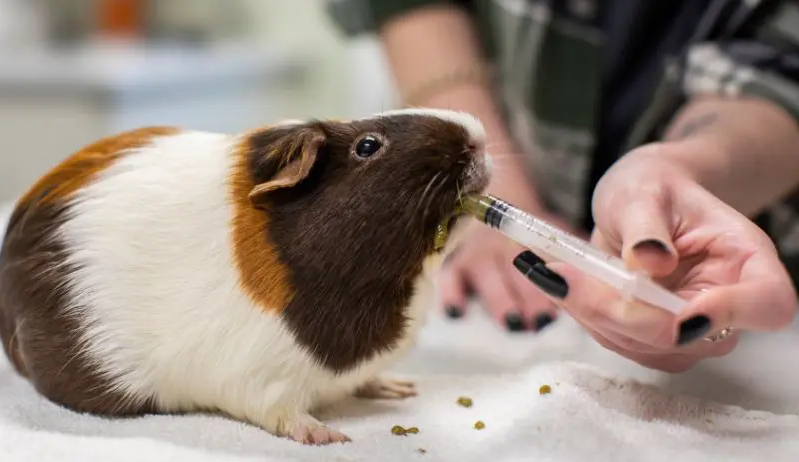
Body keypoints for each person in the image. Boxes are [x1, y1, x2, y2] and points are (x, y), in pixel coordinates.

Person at [325, 0, 799, 372]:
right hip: (494, 234)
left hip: (738, 261)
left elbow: (783, 67)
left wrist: (682, 172)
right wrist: (498, 180)